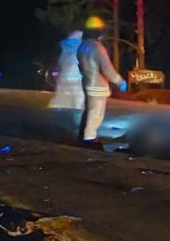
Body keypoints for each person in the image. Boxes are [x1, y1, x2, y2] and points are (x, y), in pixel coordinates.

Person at [76, 15, 126, 145]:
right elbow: (107, 69)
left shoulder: (82, 46)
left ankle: (83, 135)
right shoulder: (97, 48)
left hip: (87, 83)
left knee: (88, 111)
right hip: (98, 86)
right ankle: (89, 139)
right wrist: (119, 81)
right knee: (96, 114)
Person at [49, 30, 85, 111]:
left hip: (64, 78)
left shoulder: (63, 47)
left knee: (61, 99)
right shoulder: (82, 48)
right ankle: (77, 117)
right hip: (77, 79)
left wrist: (56, 75)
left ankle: (55, 116)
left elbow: (58, 63)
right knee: (78, 101)